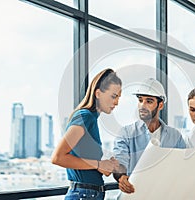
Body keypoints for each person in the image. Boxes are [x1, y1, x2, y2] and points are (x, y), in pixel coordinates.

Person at [51, 68, 122, 200]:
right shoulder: (85, 116)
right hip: (83, 195)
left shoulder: (92, 119)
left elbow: (85, 164)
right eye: (113, 96)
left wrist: (105, 165)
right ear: (98, 93)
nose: (117, 102)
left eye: (118, 97)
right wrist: (99, 164)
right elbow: (58, 157)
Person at [113, 78, 186, 194]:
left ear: (160, 105)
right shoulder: (126, 133)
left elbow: (185, 165)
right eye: (140, 100)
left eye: (149, 101)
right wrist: (121, 177)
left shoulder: (175, 136)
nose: (143, 106)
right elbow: (119, 162)